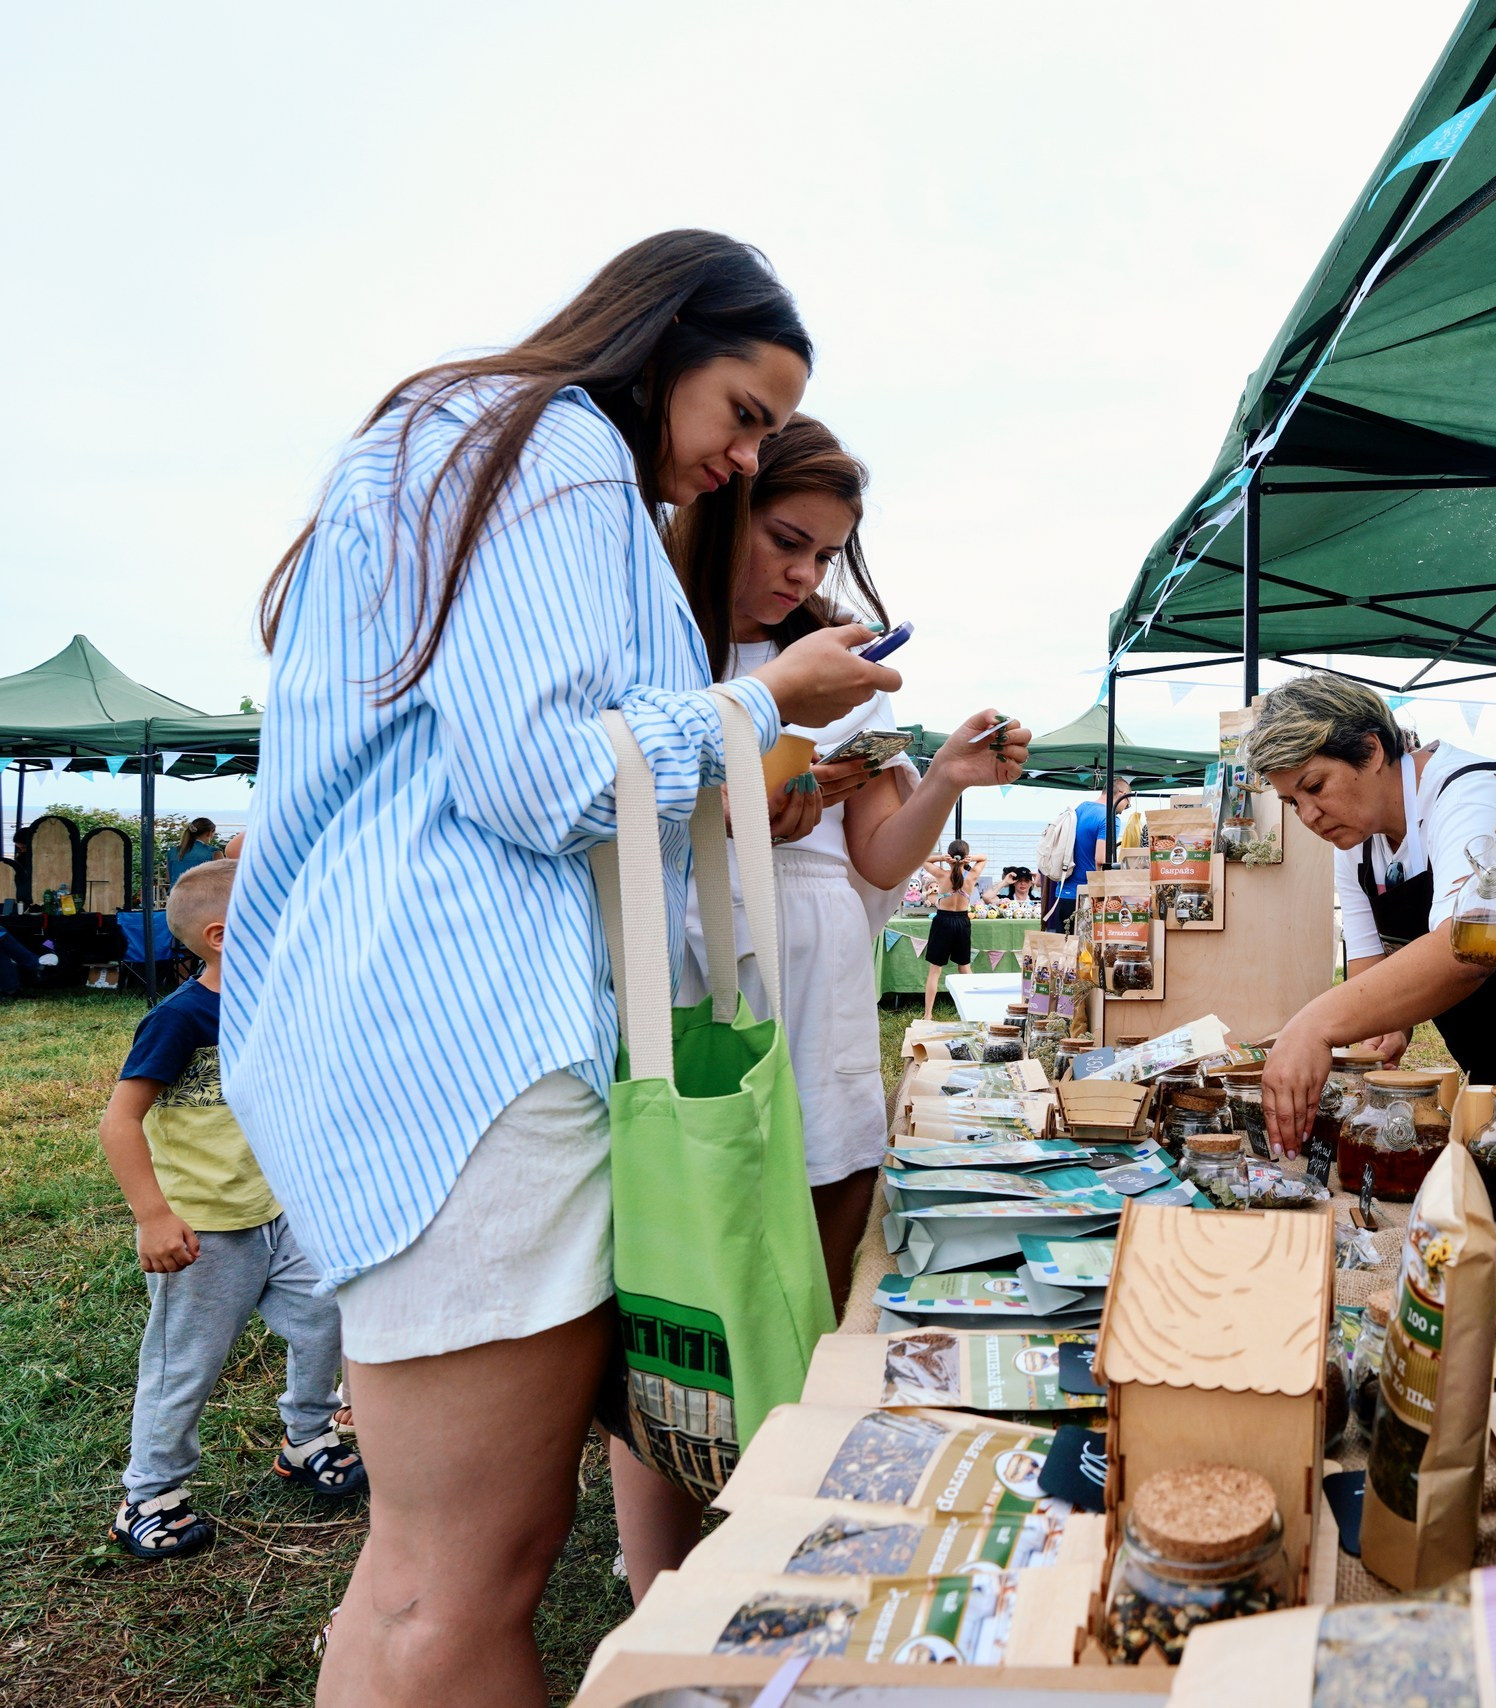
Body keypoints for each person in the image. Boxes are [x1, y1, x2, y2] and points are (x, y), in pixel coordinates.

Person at [227, 232, 895, 1708]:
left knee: (432, 1571)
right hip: (476, 1042)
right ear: (661, 341)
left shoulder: (479, 441)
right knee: (456, 1587)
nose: (741, 454)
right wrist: (765, 699)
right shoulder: (561, 450)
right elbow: (540, 781)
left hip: (410, 1031)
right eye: (742, 411)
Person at [614, 413, 1022, 1596]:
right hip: (698, 965)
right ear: (717, 505)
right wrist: (751, 805)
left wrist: (943, 775)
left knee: (823, 1225)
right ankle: (660, 1577)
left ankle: (778, 1515)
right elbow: (621, 817)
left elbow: (882, 859)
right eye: (786, 541)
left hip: (826, 965)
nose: (804, 575)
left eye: (824, 555)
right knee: (682, 1263)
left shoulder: (839, 668)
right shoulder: (655, 647)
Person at [102, 859, 365, 1561]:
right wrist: (154, 1216)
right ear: (222, 936)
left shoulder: (282, 1008)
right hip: (204, 1230)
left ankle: (308, 1437)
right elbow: (119, 1122)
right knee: (183, 1362)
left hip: (284, 1214)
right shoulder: (179, 1019)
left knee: (324, 1321)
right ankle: (151, 1496)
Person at [1250, 673, 1496, 1152]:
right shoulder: (1356, 844)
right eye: (1291, 802)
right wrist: (1382, 1031)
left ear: (1372, 749)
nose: (1308, 816)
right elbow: (1372, 973)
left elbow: (1464, 952)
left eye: (1315, 787)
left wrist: (1313, 1026)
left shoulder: (1473, 797)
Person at [1040, 778, 1128, 934]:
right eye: (1128, 802)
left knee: (1066, 953)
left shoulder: (1080, 809)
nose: (1126, 807)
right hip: (1085, 899)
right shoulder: (1110, 818)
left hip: (1062, 894)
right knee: (1087, 955)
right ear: (1122, 794)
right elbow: (1101, 860)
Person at [920, 839, 984, 1014]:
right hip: (962, 922)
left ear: (950, 856)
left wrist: (942, 857)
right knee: (964, 967)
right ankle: (976, 1010)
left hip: (943, 922)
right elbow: (984, 858)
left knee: (935, 970)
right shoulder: (971, 877)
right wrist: (970, 859)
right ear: (966, 857)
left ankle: (928, 1015)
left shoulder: (942, 875)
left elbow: (923, 859)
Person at [165, 817, 223, 889]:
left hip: (176, 896)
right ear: (210, 833)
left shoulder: (172, 852)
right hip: (203, 896)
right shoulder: (214, 853)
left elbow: (168, 879)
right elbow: (221, 880)